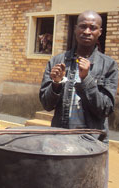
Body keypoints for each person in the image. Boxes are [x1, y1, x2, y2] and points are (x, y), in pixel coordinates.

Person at [39, 10, 118, 187]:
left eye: (93, 27)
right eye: (83, 26)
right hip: (60, 140)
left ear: (100, 32)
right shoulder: (57, 61)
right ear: (75, 29)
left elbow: (105, 108)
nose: (87, 31)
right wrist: (56, 84)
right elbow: (46, 104)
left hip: (93, 143)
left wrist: (86, 79)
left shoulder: (109, 65)